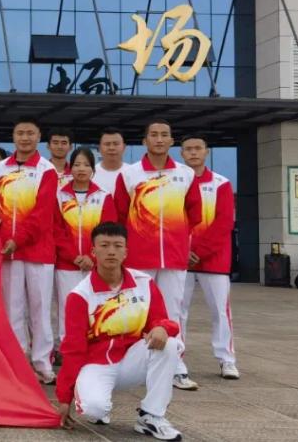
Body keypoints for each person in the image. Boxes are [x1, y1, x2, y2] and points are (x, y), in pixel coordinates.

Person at [56, 222, 185, 441]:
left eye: (117, 246)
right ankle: (100, 403)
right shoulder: (80, 295)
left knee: (170, 344)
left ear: (126, 251)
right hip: (97, 363)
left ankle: (151, 416)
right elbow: (73, 349)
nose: (111, 251)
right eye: (104, 245)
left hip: (133, 360)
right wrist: (64, 398)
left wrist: (162, 328)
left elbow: (162, 319)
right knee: (93, 409)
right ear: (93, 251)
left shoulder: (144, 283)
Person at [114, 119, 202, 391]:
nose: (159, 139)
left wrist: (179, 239)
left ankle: (176, 366)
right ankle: (136, 364)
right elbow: (119, 214)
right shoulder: (130, 174)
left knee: (173, 311)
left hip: (174, 256)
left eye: (165, 134)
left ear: (172, 141)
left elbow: (195, 213)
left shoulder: (186, 174)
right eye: (154, 135)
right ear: (145, 141)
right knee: (137, 310)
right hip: (139, 256)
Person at [0, 117, 58, 383]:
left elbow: (42, 214)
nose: (25, 138)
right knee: (12, 309)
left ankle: (42, 363)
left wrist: (18, 239)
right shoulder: (0, 169)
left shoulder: (46, 170)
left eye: (30, 133)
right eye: (20, 133)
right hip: (8, 253)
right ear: (13, 136)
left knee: (40, 310)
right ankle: (18, 361)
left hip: (38, 251)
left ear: (38, 137)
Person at [179, 134, 240, 380]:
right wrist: (185, 251)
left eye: (198, 148)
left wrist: (198, 251)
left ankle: (227, 360)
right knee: (177, 311)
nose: (193, 152)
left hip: (214, 260)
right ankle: (176, 359)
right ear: (181, 153)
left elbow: (224, 223)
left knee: (220, 312)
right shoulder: (175, 181)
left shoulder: (221, 183)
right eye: (188, 149)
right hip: (180, 259)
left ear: (207, 152)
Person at [53, 147, 115, 345]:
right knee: (67, 307)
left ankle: (96, 347)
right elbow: (56, 231)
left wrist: (93, 257)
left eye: (86, 165)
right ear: (70, 168)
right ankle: (67, 348)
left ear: (93, 170)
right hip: (66, 265)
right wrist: (74, 256)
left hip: (95, 265)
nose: (81, 169)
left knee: (96, 307)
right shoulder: (59, 196)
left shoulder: (104, 196)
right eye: (77, 164)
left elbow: (108, 231)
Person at [93, 127, 126, 194]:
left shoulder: (133, 173)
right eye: (107, 144)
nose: (111, 148)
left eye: (116, 144)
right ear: (99, 148)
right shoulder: (90, 174)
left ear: (124, 147)